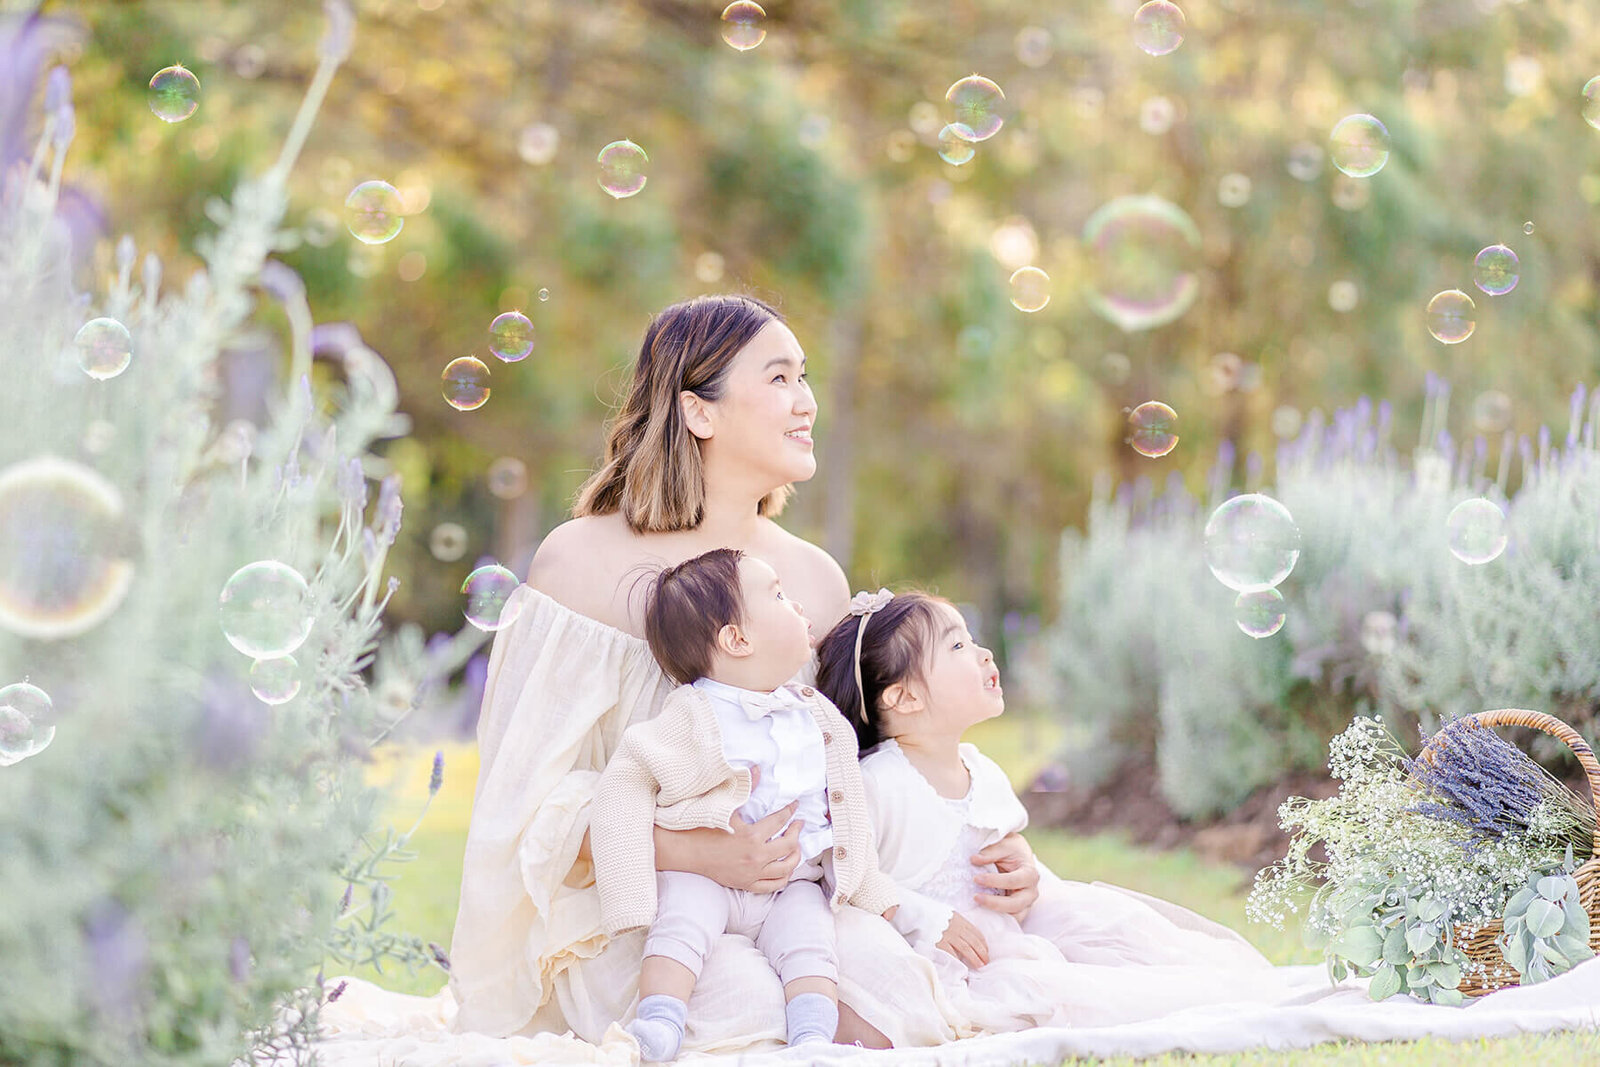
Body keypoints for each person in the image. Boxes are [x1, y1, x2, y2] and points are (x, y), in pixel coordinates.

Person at [445, 294, 1040, 1054]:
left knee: (896, 996)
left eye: (805, 377)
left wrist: (981, 845)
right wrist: (692, 850)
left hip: (794, 901)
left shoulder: (812, 582)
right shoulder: (580, 563)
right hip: (639, 910)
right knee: (743, 1014)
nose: (807, 400)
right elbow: (525, 811)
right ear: (699, 412)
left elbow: (862, 782)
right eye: (781, 378)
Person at [816, 589, 1309, 1031]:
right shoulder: (880, 783)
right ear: (904, 697)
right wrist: (925, 919)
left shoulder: (979, 769)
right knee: (1047, 997)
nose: (985, 653)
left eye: (972, 639)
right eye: (958, 646)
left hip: (1012, 936)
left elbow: (999, 853)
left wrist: (1025, 876)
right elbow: (847, 875)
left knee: (1136, 960)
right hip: (943, 954)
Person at [593, 548, 900, 1061]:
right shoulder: (694, 713)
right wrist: (628, 891)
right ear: (737, 639)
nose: (798, 606)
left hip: (793, 881)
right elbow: (624, 784)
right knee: (680, 925)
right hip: (705, 877)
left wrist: (869, 885)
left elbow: (847, 811)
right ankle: (660, 1020)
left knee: (812, 943)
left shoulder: (815, 715)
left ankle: (811, 1037)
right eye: (779, 595)